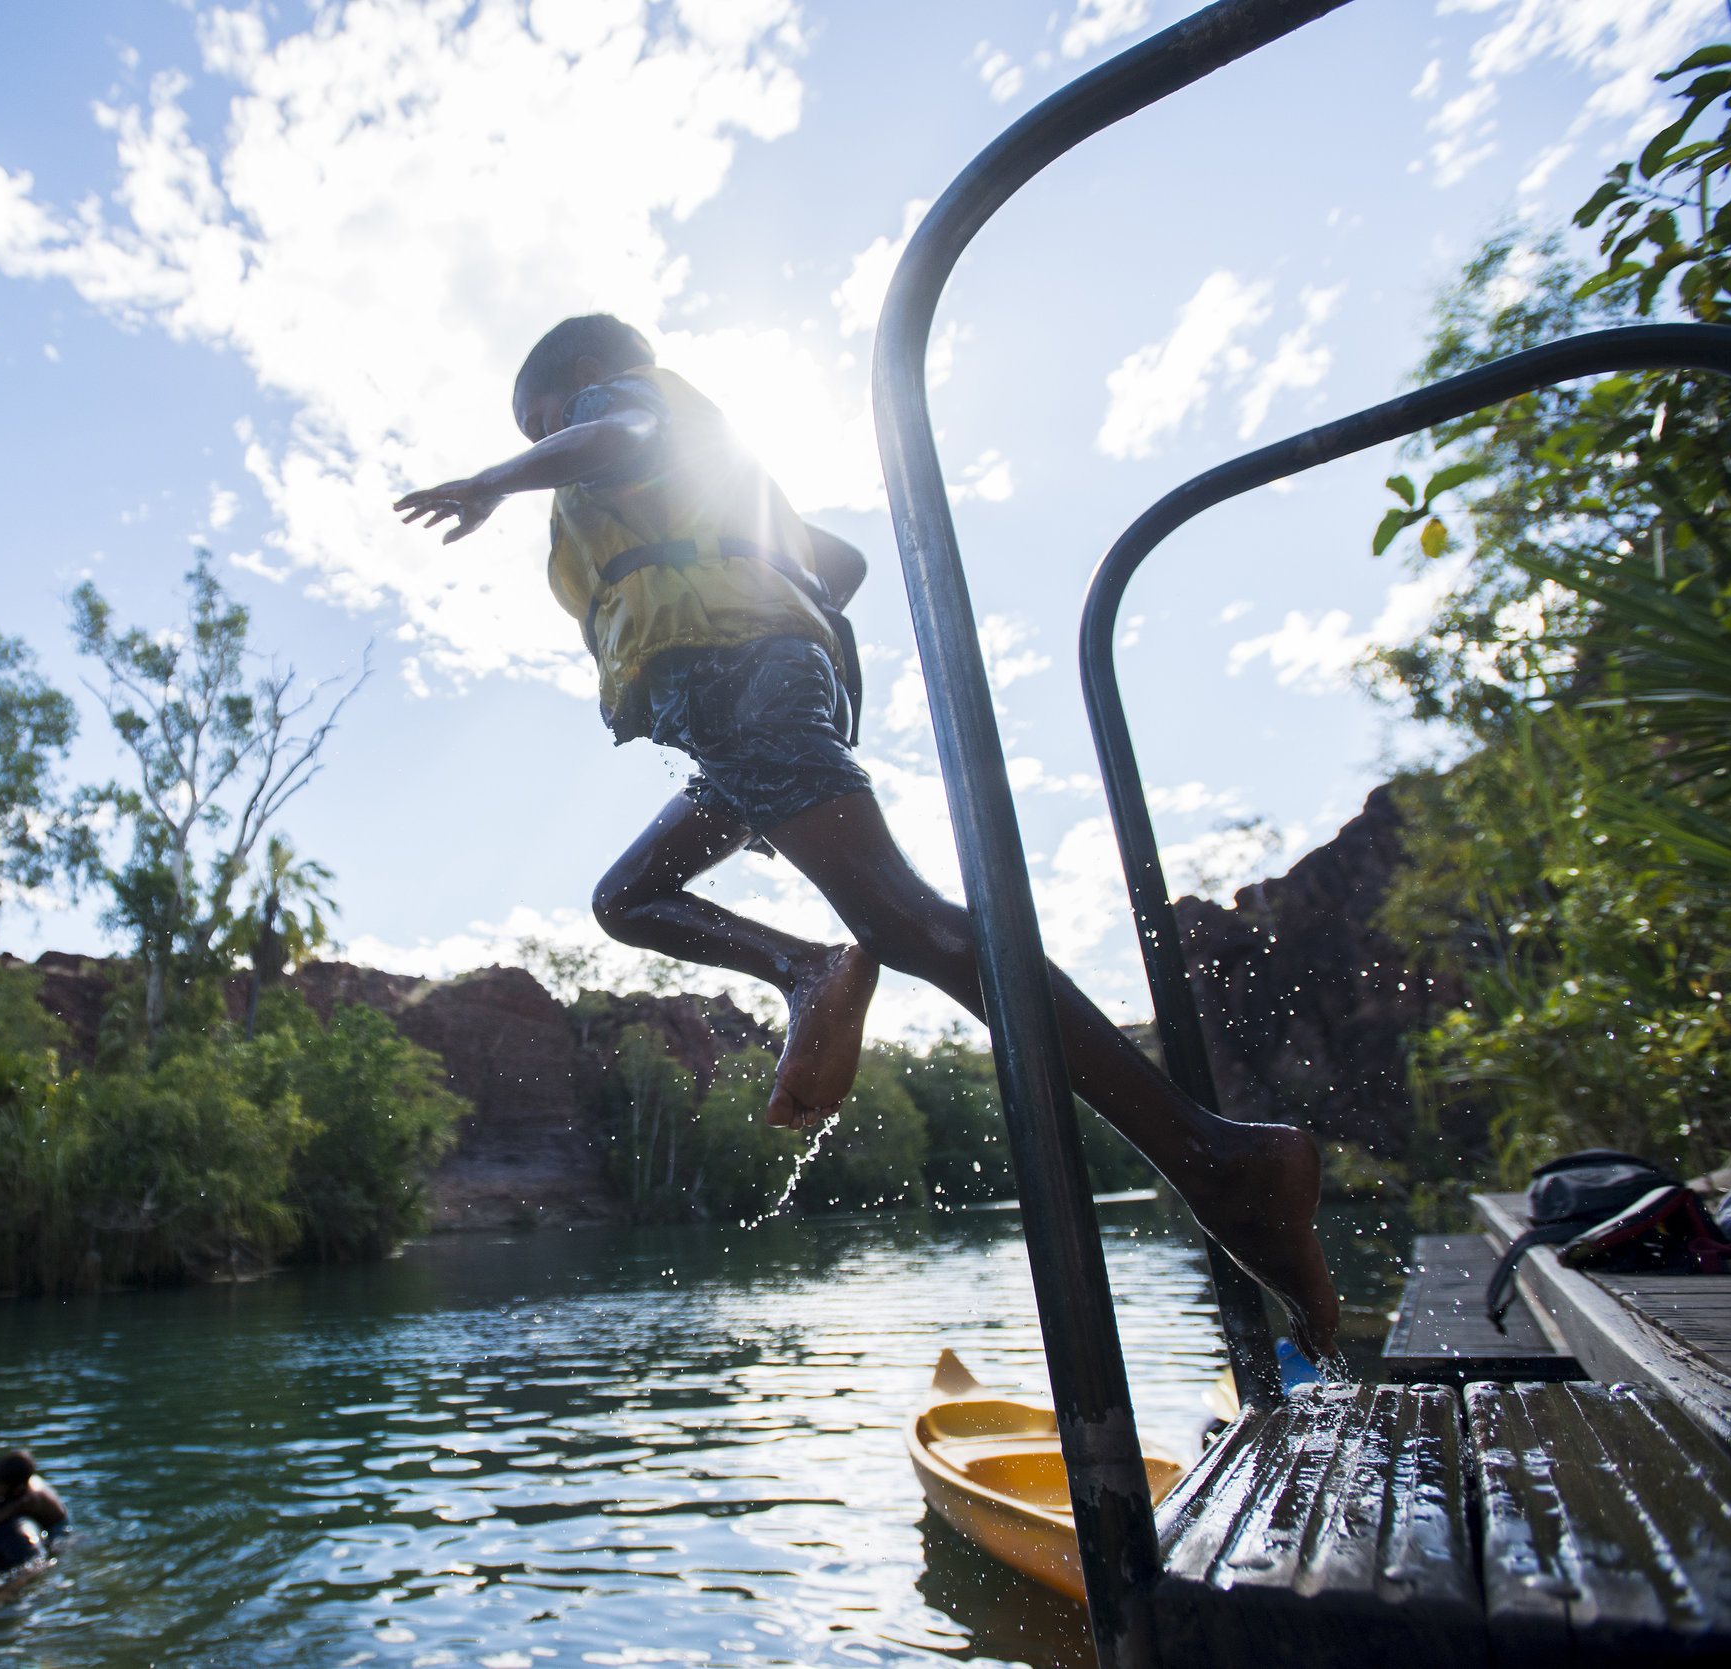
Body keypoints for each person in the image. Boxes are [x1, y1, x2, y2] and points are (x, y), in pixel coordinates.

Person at [391, 313, 1340, 1359]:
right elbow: (836, 564)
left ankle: (1213, 1156)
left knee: (911, 923)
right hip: (735, 711)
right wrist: (777, 597)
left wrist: (496, 473)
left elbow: (625, 440)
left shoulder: (618, 401)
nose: (546, 439)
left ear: (578, 379)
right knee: (629, 899)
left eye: (541, 417)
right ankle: (809, 969)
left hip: (742, 685)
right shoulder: (711, 473)